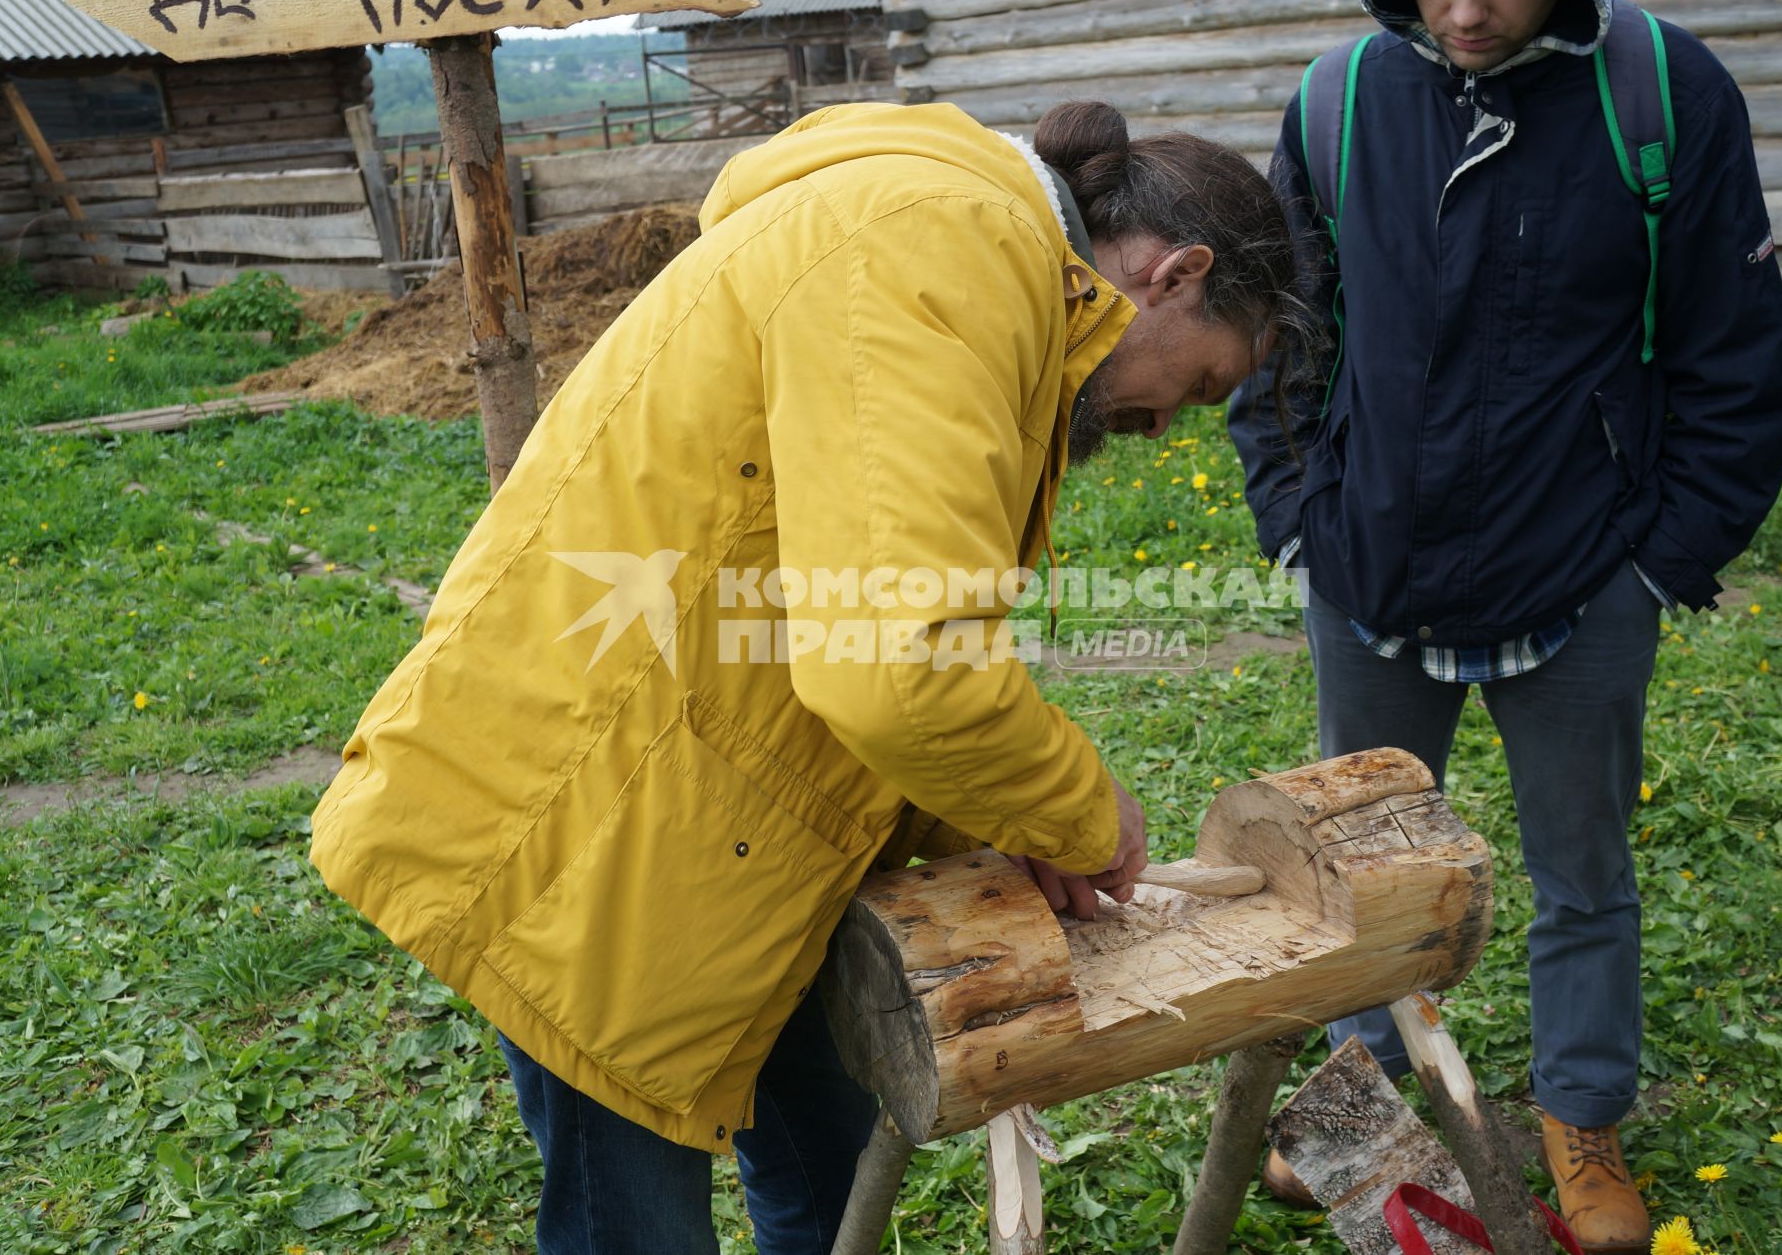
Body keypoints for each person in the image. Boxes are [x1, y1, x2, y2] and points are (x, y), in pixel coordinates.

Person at [311, 98, 1305, 1254]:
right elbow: (899, 664)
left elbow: (839, 605)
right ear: (1177, 275)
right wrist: (1081, 811)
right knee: (631, 1225)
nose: (1160, 422)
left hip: (726, 812)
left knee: (826, 1181)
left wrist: (989, 818)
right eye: (1199, 383)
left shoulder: (950, 246)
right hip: (596, 820)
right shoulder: (948, 246)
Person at [1229, 0, 1782, 1250]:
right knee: (1359, 869)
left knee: (1583, 871)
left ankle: (1579, 1117)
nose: (1469, 7)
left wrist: (1656, 565)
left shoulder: (1663, 91)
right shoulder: (1336, 102)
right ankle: (1357, 1107)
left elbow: (1738, 352)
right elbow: (1278, 332)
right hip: (1369, 568)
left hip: (1584, 567)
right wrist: (1300, 519)